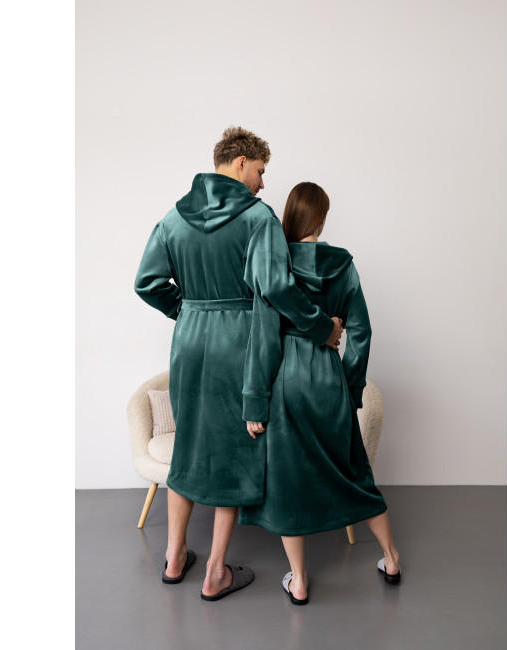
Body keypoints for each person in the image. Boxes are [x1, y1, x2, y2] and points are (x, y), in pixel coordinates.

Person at [134, 128, 344, 600]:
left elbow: (146, 282)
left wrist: (187, 310)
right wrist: (321, 328)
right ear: (241, 162)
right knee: (234, 450)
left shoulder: (173, 217)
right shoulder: (257, 218)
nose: (263, 183)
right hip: (239, 344)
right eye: (261, 172)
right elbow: (278, 290)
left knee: (188, 445)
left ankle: (173, 558)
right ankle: (215, 572)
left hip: (189, 344)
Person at [239, 182, 402, 605]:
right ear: (322, 218)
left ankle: (299, 580)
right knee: (354, 473)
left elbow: (263, 339)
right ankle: (391, 558)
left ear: (291, 216)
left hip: (285, 380)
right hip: (329, 377)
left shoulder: (275, 265)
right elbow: (361, 333)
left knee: (288, 481)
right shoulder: (343, 264)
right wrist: (350, 386)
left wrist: (255, 400)